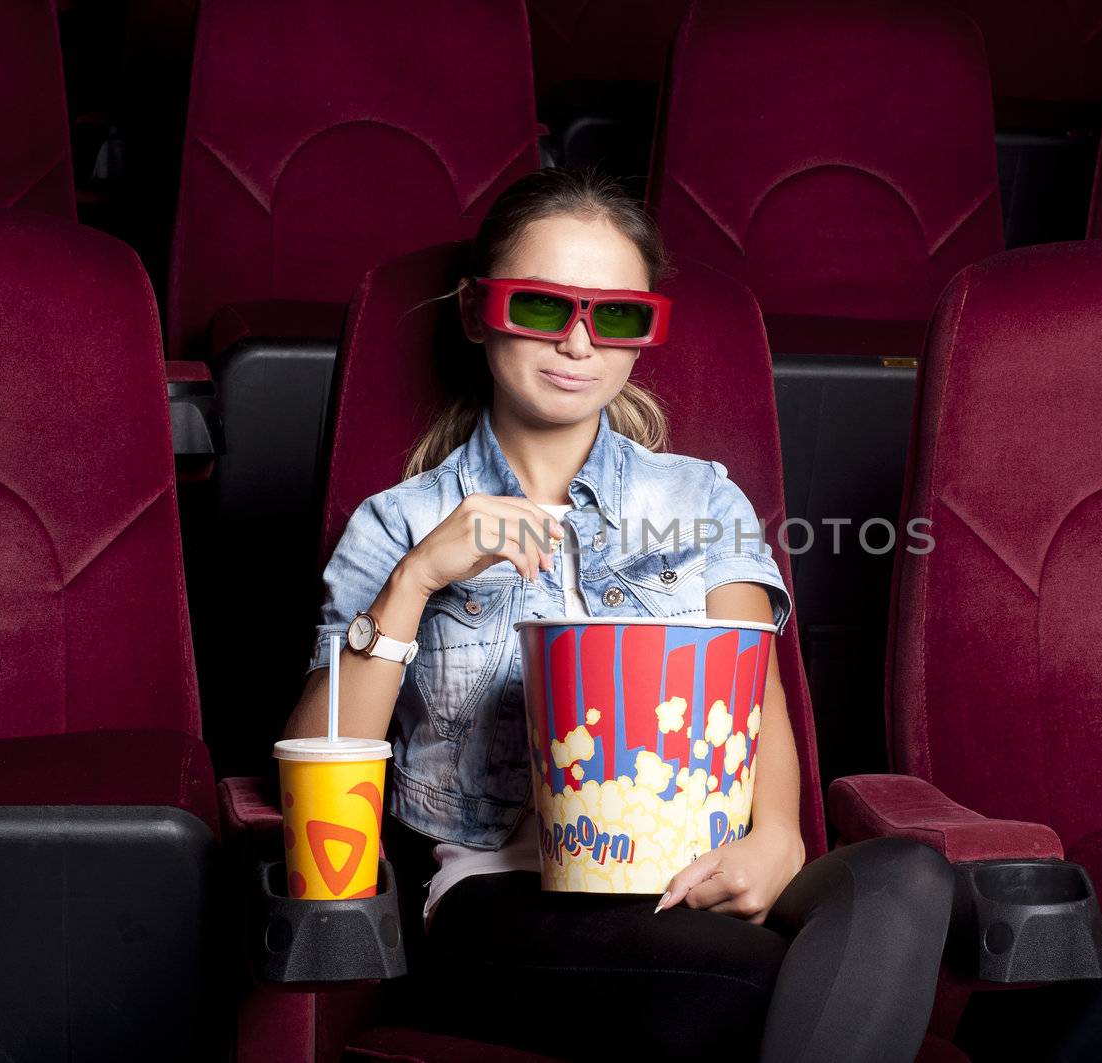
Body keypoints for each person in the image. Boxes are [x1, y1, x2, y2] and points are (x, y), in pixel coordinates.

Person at [282, 168, 954, 1061]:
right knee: (774, 986)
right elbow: (319, 765)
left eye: (617, 316)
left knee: (910, 877)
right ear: (479, 310)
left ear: (642, 338)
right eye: (542, 306)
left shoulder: (701, 495)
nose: (577, 343)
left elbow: (750, 692)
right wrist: (414, 580)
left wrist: (778, 838)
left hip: (697, 871)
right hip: (508, 901)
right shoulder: (398, 522)